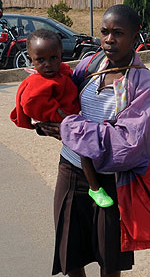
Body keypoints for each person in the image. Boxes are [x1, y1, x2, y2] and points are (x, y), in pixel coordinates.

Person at [36, 4, 150, 277]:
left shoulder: (144, 84)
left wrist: (69, 129)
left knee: (108, 251)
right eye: (104, 32)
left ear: (135, 38)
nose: (109, 40)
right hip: (71, 169)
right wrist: (42, 115)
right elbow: (61, 96)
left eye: (118, 33)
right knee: (67, 243)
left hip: (111, 179)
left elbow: (128, 145)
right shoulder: (89, 65)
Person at [10, 29, 114, 208]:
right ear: (31, 59)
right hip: (61, 119)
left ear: (61, 55)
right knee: (84, 150)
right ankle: (95, 187)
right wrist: (63, 119)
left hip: (70, 115)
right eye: (40, 60)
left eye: (53, 58)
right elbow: (31, 104)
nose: (48, 65)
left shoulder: (62, 71)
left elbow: (68, 79)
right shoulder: (37, 83)